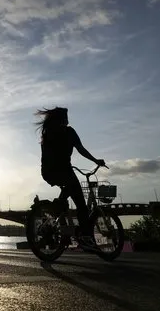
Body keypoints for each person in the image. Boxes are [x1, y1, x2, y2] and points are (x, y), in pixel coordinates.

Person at [35, 107, 106, 251]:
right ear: (61, 119)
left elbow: (78, 149)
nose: (68, 120)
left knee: (74, 197)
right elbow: (79, 149)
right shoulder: (60, 133)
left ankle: (59, 210)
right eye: (66, 117)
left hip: (56, 171)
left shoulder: (56, 133)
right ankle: (85, 238)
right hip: (58, 170)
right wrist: (95, 160)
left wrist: (94, 160)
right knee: (79, 201)